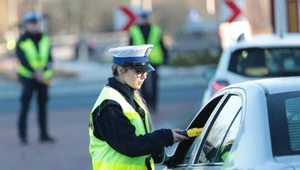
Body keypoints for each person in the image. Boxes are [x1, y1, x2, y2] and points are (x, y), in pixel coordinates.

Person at [88, 44, 188, 170]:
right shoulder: (110, 106)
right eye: (139, 71)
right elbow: (130, 145)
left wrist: (166, 143)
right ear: (120, 70)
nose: (144, 76)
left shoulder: (131, 98)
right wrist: (164, 136)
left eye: (145, 72)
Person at [16, 11, 55, 145]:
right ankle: (23, 136)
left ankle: (43, 134)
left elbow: (49, 58)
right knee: (25, 106)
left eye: (36, 23)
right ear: (26, 25)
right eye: (31, 24)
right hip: (28, 78)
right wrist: (35, 72)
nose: (34, 26)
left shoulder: (45, 39)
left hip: (43, 78)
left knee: (43, 106)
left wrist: (43, 71)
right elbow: (22, 60)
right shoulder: (22, 40)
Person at [128, 9, 169, 112]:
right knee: (142, 82)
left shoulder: (156, 29)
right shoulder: (134, 30)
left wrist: (166, 57)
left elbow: (162, 45)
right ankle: (146, 104)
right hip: (140, 59)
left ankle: (153, 105)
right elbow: (130, 46)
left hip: (153, 59)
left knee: (153, 82)